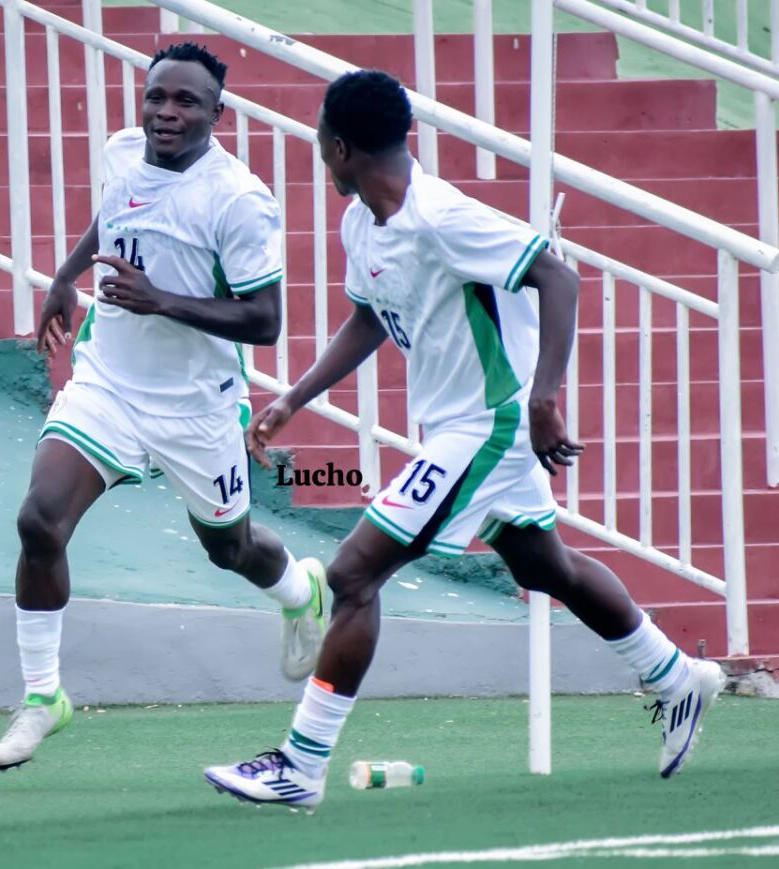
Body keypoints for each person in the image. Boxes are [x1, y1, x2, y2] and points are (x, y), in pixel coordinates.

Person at [202, 70, 725, 810]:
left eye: (321, 141)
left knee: (353, 576)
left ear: (341, 148)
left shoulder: (443, 217)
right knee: (545, 564)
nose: (320, 153)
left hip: (489, 425)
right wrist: (294, 397)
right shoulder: (362, 223)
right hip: (458, 427)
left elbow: (558, 277)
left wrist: (545, 397)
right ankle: (677, 677)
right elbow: (371, 317)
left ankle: (301, 763)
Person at [0, 43, 327, 771]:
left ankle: (303, 591)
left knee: (229, 548)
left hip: (197, 408)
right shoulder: (122, 152)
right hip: (107, 382)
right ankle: (43, 696)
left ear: (217, 115)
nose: (166, 113)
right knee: (39, 520)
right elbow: (116, 214)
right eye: (156, 98)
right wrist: (67, 276)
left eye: (186, 103)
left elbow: (265, 320)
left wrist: (160, 300)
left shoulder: (237, 200)